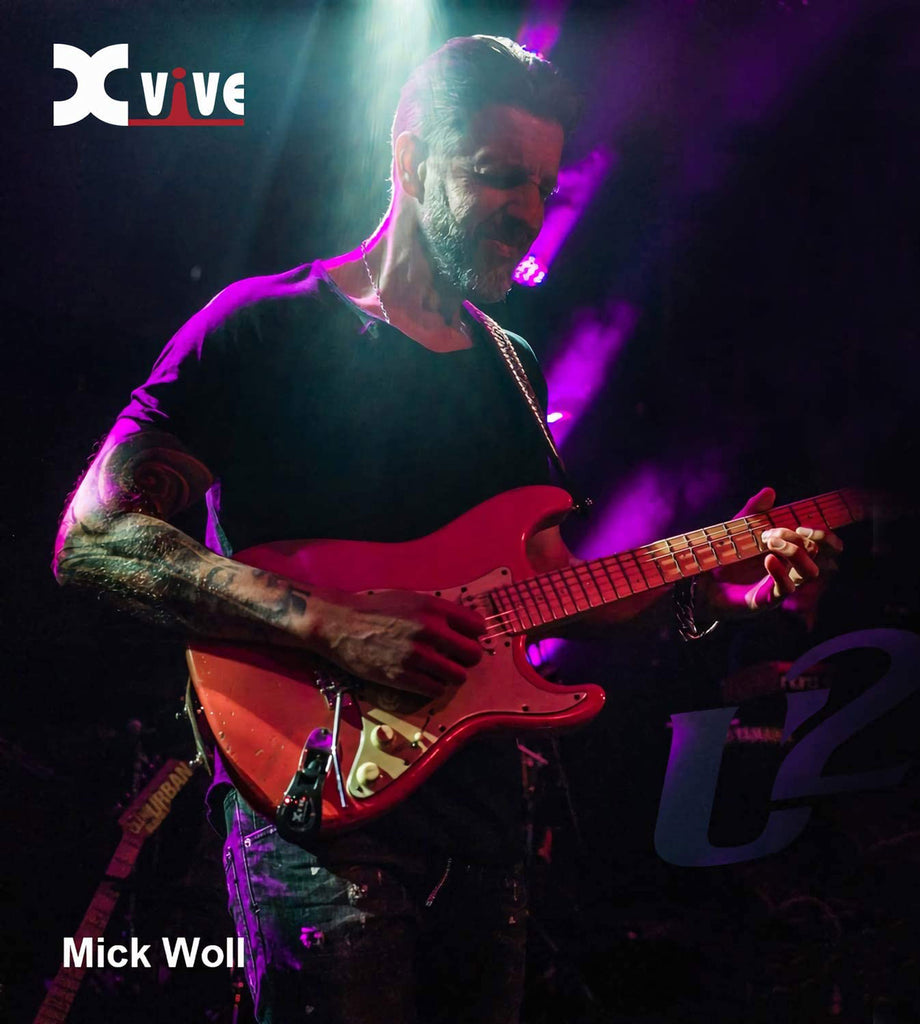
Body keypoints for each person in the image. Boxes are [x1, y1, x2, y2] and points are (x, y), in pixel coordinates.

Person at [53, 35, 839, 1024]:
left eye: (542, 187)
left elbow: (549, 581)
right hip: (320, 807)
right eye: (496, 175)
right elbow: (95, 538)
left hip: (483, 831)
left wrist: (720, 590)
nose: (525, 210)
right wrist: (335, 626)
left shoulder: (511, 366)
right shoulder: (263, 325)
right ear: (409, 157)